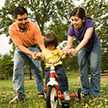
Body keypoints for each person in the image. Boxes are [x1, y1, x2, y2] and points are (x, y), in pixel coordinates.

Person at [9, 6, 46, 103]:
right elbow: (19, 46)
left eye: (25, 18)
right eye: (20, 19)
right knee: (17, 69)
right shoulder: (12, 29)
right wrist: (31, 53)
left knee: (37, 69)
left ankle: (41, 92)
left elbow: (40, 41)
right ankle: (20, 96)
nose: (24, 21)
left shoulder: (34, 26)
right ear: (15, 19)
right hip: (20, 50)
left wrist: (43, 51)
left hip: (33, 46)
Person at [64, 7, 101, 97]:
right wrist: (65, 51)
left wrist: (76, 50)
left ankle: (95, 93)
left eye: (76, 20)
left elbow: (86, 39)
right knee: (82, 67)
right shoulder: (71, 28)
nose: (73, 22)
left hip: (93, 45)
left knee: (94, 67)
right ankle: (85, 91)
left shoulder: (89, 23)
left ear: (83, 19)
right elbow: (69, 44)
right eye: (72, 20)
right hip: (82, 46)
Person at [36, 32, 70, 101]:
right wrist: (39, 56)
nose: (51, 47)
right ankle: (47, 92)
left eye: (52, 45)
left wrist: (65, 55)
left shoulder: (57, 50)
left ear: (55, 44)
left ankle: (65, 92)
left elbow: (62, 56)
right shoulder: (44, 51)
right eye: (49, 45)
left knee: (62, 77)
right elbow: (42, 57)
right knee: (47, 79)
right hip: (49, 68)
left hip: (58, 66)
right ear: (46, 45)